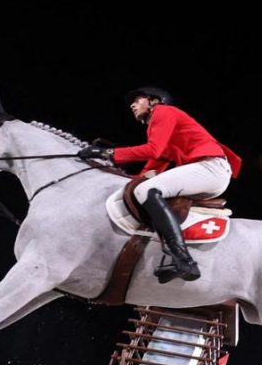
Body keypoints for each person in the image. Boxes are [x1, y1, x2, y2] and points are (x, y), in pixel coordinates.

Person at [80, 87, 241, 283]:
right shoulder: (167, 129)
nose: (132, 105)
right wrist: (121, 176)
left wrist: (109, 153)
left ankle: (183, 259)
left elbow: (153, 150)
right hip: (206, 173)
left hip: (209, 168)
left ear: (155, 101)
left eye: (138, 99)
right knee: (143, 188)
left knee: (147, 190)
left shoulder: (163, 112)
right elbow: (155, 165)